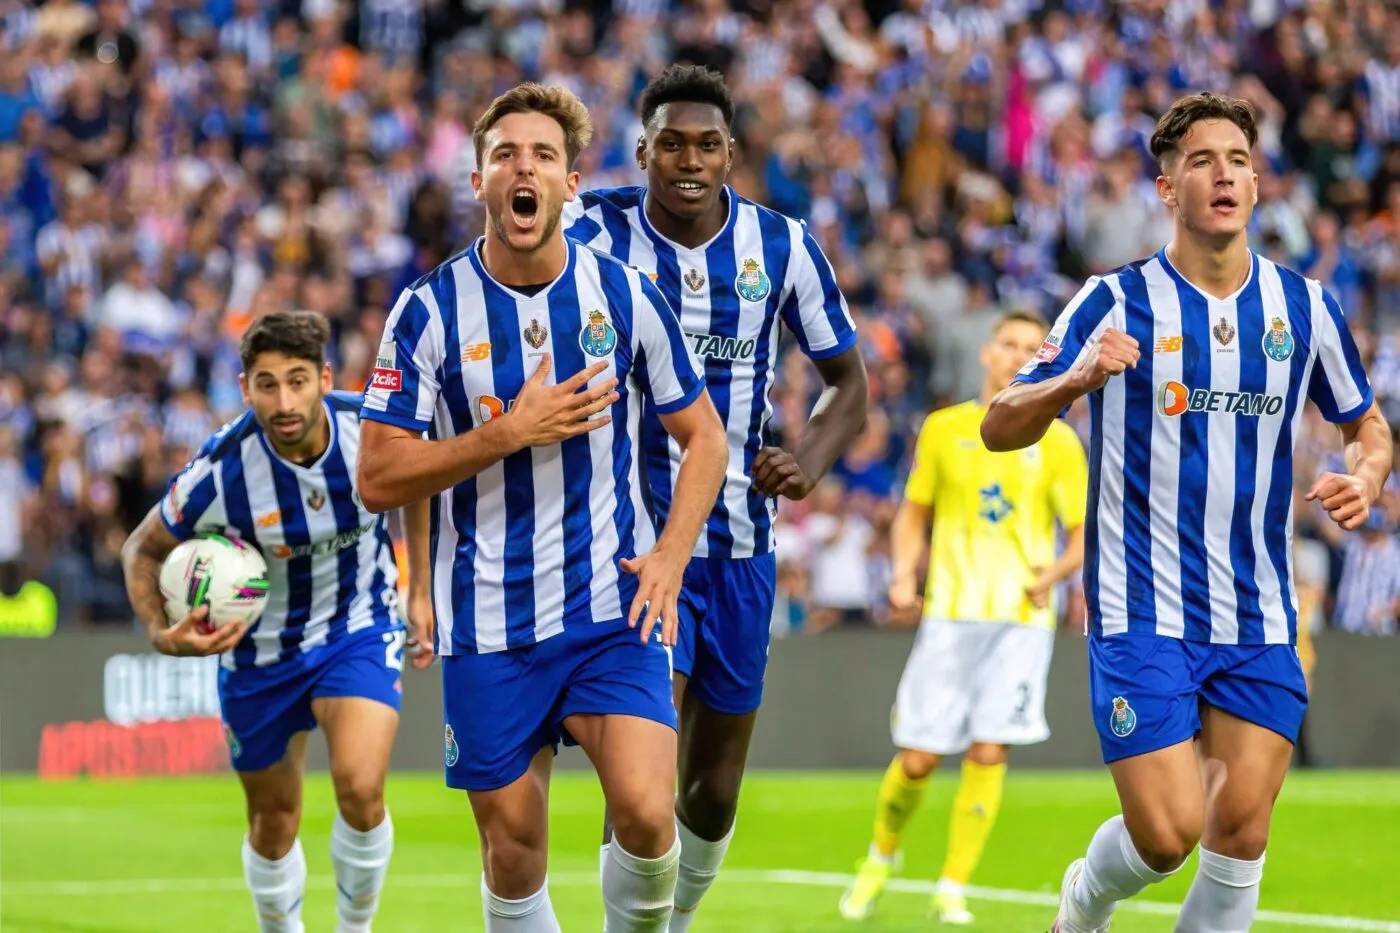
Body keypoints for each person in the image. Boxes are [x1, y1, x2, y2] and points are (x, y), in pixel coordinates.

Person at [980, 92, 1393, 933]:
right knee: (1168, 834)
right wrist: (1075, 379)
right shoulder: (1113, 300)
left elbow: (1368, 425)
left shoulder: (1303, 307)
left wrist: (1369, 473)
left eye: (1239, 160)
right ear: (1168, 189)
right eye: (1203, 161)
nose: (1225, 175)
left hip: (1258, 609)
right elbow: (999, 424)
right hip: (1142, 606)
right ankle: (1083, 900)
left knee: (1240, 832)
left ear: (1258, 182)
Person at [355, 82, 729, 933]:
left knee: (648, 814)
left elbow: (705, 438)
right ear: (479, 181)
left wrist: (671, 556)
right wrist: (506, 433)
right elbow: (377, 475)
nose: (524, 169)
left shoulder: (624, 294)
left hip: (610, 603)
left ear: (570, 183)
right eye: (505, 155)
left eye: (544, 156)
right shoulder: (427, 311)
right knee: (515, 853)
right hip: (488, 621)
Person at [563, 64, 867, 930]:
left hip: (740, 550)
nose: (688, 161)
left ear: (731, 153)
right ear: (643, 151)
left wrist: (807, 458)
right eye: (671, 144)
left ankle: (673, 917)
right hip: (635, 551)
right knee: (644, 782)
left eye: (706, 145)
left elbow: (850, 384)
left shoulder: (782, 246)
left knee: (712, 792)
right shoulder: (592, 232)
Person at [120, 310, 435, 933]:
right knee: (272, 823)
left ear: (325, 378)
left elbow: (417, 479)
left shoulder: (369, 430)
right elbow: (141, 550)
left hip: (357, 627)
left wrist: (419, 589)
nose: (285, 402)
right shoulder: (222, 470)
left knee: (361, 788)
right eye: (267, 385)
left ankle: (354, 928)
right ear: (245, 388)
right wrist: (160, 632)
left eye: (297, 381)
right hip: (259, 651)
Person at [839, 310, 1087, 925]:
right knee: (918, 758)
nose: (1018, 355)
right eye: (1009, 344)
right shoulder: (945, 428)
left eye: (1031, 348)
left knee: (988, 751)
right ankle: (881, 855)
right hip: (950, 614)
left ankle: (953, 884)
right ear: (987, 352)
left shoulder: (1059, 441)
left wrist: (1054, 575)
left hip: (1021, 621)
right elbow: (913, 511)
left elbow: (1084, 532)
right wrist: (903, 573)